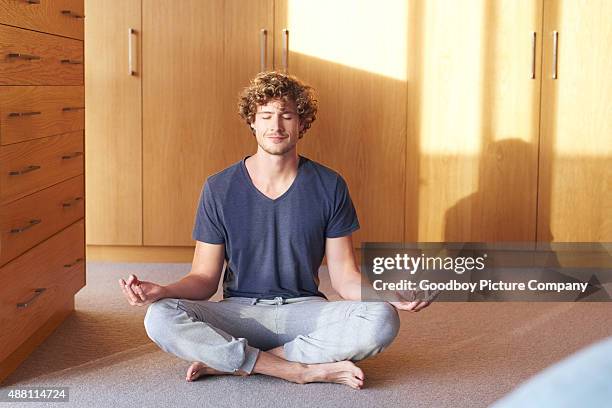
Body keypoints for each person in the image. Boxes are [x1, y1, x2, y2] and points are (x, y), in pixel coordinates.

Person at [119, 71, 430, 389]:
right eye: (266, 115)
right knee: (160, 316)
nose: (276, 126)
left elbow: (345, 278)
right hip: (239, 312)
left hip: (305, 309)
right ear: (252, 121)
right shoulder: (219, 187)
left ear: (302, 123)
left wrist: (387, 295)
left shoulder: (329, 185)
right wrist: (164, 291)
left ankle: (239, 362)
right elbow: (203, 280)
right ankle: (299, 369)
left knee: (381, 318)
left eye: (287, 116)